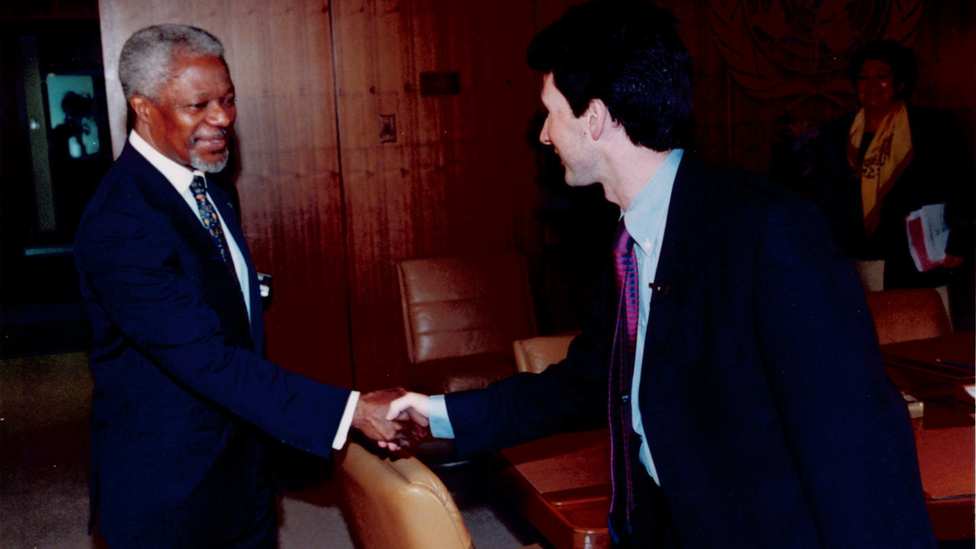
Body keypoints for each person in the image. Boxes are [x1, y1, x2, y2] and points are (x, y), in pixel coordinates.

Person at [388, 2, 935, 547]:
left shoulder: (768, 230)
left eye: (551, 113)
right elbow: (587, 382)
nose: (545, 136)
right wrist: (435, 413)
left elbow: (855, 440)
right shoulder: (635, 235)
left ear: (595, 117)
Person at [73, 24, 422, 548]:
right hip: (169, 487)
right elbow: (209, 360)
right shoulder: (121, 223)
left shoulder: (209, 182)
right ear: (143, 108)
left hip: (243, 465)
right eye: (199, 105)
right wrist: (351, 411)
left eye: (228, 100)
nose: (222, 119)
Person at [810, 40, 974, 293]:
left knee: (920, 328)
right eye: (863, 78)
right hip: (854, 255)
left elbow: (961, 187)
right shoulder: (836, 132)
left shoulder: (932, 125)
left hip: (918, 256)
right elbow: (822, 194)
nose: (871, 85)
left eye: (882, 77)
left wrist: (960, 242)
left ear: (901, 83)